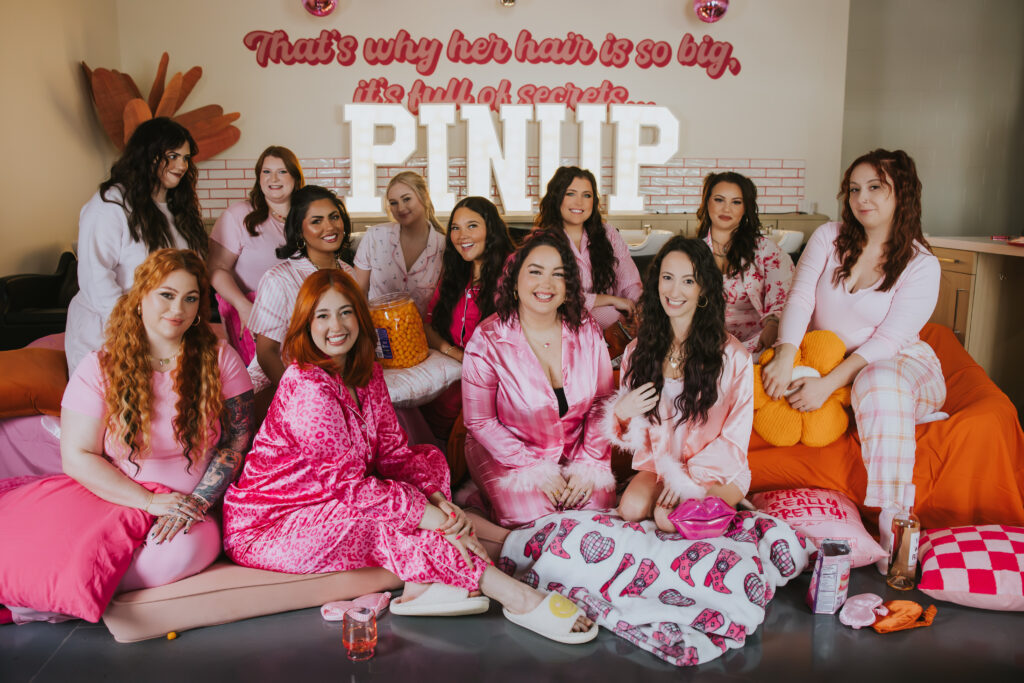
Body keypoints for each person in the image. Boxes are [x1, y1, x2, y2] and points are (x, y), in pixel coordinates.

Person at [222, 270, 597, 644]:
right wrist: (431, 518)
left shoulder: (367, 372)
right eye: (323, 315)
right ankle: (515, 596)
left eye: (346, 312)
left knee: (426, 460)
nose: (336, 326)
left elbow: (394, 453)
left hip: (332, 501)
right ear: (306, 324)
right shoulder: (307, 389)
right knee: (378, 516)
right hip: (270, 525)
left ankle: (422, 586)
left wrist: (440, 505)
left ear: (360, 317)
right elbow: (352, 490)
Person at [762, 149, 945, 509]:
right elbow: (801, 296)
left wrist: (827, 385)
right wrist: (784, 355)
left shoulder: (922, 264)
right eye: (854, 189)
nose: (861, 198)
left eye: (875, 187)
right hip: (823, 356)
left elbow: (889, 340)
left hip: (897, 362)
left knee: (876, 382)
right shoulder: (828, 236)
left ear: (903, 192)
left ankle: (894, 516)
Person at [63, 249, 252, 592]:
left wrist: (194, 503)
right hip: (117, 501)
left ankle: (83, 590)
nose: (178, 309)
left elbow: (235, 445)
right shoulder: (98, 367)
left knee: (177, 553)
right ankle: (76, 588)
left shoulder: (222, 359)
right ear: (140, 298)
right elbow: (77, 455)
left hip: (192, 510)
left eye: (190, 298)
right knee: (61, 548)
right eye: (167, 295)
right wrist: (148, 502)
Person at [462, 229, 616, 529]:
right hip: (506, 450)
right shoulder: (487, 339)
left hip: (576, 447)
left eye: (558, 274)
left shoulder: (587, 329)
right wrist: (536, 470)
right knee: (531, 518)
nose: (546, 284)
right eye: (535, 272)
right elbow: (480, 422)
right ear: (514, 281)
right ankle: (483, 502)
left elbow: (603, 403)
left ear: (568, 287)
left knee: (596, 512)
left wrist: (588, 464)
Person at [604, 237, 753, 533]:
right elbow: (632, 431)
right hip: (659, 465)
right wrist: (620, 413)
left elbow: (734, 440)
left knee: (667, 519)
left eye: (688, 281)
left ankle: (729, 501)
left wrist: (688, 475)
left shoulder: (734, 356)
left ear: (703, 288)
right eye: (667, 278)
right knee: (630, 509)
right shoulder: (638, 351)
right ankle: (701, 505)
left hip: (717, 467)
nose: (674, 291)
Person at [66, 117, 207, 375]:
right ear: (148, 155)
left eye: (186, 158)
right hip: (111, 332)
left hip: (164, 334)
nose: (181, 166)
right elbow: (95, 275)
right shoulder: (110, 205)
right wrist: (132, 327)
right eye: (172, 156)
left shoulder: (179, 208)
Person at [420, 196, 516, 440]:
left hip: (495, 392)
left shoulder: (514, 271)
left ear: (491, 229)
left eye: (472, 225)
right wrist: (456, 354)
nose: (462, 235)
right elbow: (428, 326)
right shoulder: (455, 272)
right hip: (449, 382)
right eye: (455, 228)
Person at [248, 185, 354, 388]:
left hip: (333, 379)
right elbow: (266, 353)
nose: (330, 227)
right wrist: (298, 395)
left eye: (334, 217)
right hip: (280, 384)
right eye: (316, 221)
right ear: (299, 230)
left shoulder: (349, 273)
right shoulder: (279, 279)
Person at [208, 146, 305, 365]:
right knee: (264, 377)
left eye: (282, 171)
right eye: (266, 171)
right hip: (253, 315)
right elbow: (216, 269)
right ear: (258, 177)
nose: (273, 178)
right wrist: (244, 306)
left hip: (301, 320)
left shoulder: (307, 218)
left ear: (295, 177)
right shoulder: (239, 215)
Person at [697, 171, 794, 355]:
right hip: (704, 348)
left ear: (745, 207)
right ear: (706, 202)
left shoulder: (767, 250)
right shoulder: (690, 253)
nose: (726, 209)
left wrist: (773, 324)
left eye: (736, 202)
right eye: (719, 200)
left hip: (758, 346)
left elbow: (783, 299)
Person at [535, 166, 641, 330]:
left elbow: (629, 282)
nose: (579, 202)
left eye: (587, 195)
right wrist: (610, 300)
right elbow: (559, 296)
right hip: (562, 325)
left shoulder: (608, 234)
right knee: (609, 316)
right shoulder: (542, 241)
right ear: (556, 198)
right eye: (571, 194)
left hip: (615, 325)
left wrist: (640, 307)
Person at [352, 171, 445, 316]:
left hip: (421, 330)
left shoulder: (444, 246)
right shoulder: (374, 236)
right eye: (393, 203)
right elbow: (358, 292)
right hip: (376, 328)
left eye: (406, 199)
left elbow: (444, 303)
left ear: (425, 197)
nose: (400, 208)